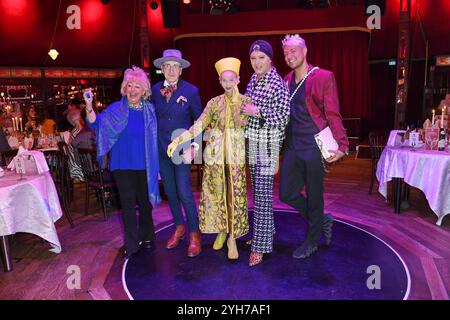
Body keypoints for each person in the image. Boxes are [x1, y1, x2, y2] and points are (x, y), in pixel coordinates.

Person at [167, 57, 249, 260]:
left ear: (238, 79)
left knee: (233, 196)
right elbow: (199, 125)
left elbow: (248, 126)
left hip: (235, 159)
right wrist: (178, 141)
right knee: (218, 195)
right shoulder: (214, 103)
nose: (228, 84)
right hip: (215, 159)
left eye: (231, 80)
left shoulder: (246, 102)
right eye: (224, 80)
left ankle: (232, 237)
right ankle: (221, 230)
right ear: (219, 81)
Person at [279, 34, 349, 259]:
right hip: (292, 145)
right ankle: (321, 220)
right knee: (287, 193)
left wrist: (342, 143)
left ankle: (311, 241)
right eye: (286, 52)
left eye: (293, 51)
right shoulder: (285, 79)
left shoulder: (323, 77)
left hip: (314, 145)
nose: (290, 56)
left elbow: (332, 112)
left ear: (305, 51)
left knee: (315, 194)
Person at [83, 66, 160, 260]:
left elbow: (154, 138)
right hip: (122, 164)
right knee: (127, 205)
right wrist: (89, 106)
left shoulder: (150, 110)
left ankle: (147, 237)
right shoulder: (116, 109)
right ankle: (131, 244)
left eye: (137, 86)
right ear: (124, 88)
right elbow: (95, 123)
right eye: (129, 86)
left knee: (145, 203)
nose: (133, 90)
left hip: (146, 165)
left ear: (144, 90)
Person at [241, 40, 290, 266]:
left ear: (270, 59)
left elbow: (283, 116)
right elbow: (247, 109)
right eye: (253, 58)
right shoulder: (253, 79)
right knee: (260, 193)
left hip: (267, 146)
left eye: (261, 57)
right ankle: (265, 234)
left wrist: (256, 111)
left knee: (262, 196)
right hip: (253, 142)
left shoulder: (277, 83)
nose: (257, 62)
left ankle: (261, 247)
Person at [152, 49, 203, 257]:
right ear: (162, 69)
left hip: (183, 149)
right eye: (167, 66)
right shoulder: (154, 90)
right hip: (161, 149)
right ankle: (179, 227)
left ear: (181, 70)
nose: (171, 70)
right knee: (170, 192)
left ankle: (194, 233)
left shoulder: (191, 91)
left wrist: (195, 147)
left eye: (175, 66)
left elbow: (200, 121)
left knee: (184, 191)